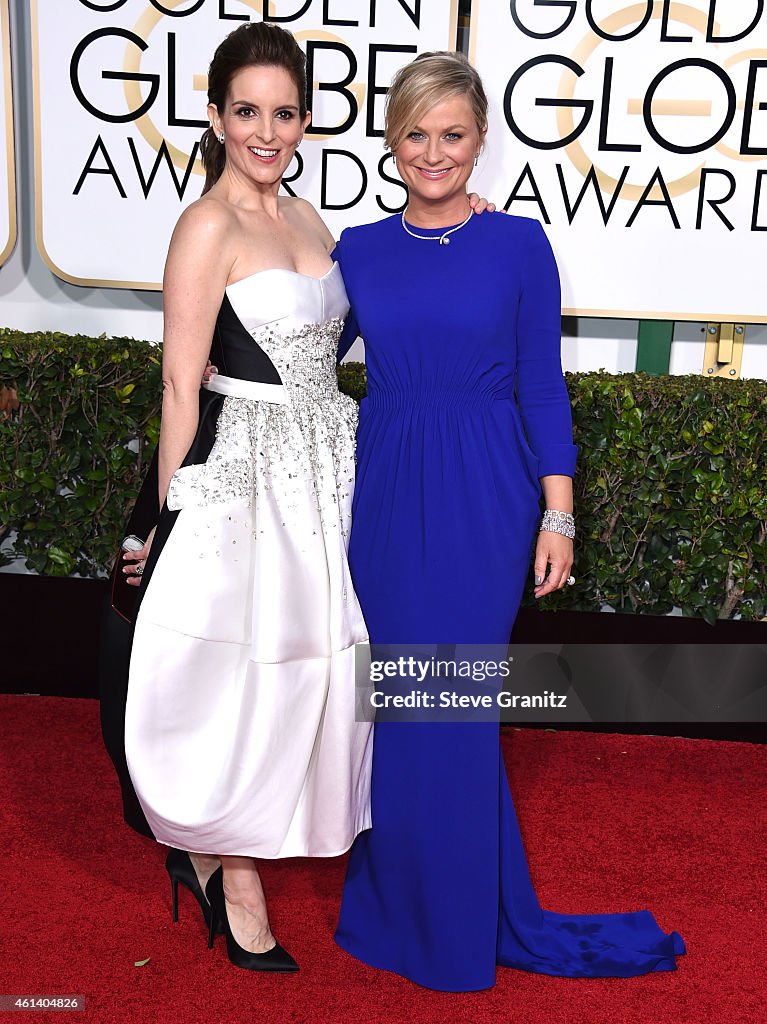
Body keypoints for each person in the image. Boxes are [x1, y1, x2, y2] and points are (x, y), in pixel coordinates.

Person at [332, 52, 686, 991]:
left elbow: (540, 384)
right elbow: (292, 362)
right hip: (387, 493)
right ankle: (407, 904)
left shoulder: (518, 243)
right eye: (415, 134)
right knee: (407, 707)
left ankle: (449, 922)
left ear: (480, 141)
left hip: (487, 496)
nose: (433, 153)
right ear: (391, 139)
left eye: (452, 135)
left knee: (453, 707)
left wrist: (557, 514)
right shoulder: (356, 251)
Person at [111, 22, 375, 973]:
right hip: (243, 469)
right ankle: (235, 873)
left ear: (305, 119)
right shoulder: (207, 225)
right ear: (218, 116)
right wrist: (170, 512)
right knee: (234, 666)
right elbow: (182, 384)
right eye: (248, 111)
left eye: (286, 112)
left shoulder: (309, 220)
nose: (268, 131)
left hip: (323, 464)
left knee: (310, 664)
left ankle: (244, 842)